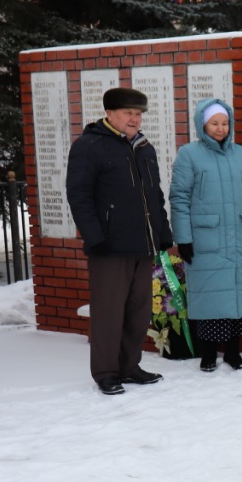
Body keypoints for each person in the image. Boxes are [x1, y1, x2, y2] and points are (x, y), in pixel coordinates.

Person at [66, 87, 173, 395]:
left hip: (143, 245)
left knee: (139, 312)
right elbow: (79, 195)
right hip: (110, 248)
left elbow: (154, 195)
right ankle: (106, 372)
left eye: (138, 114)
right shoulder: (89, 146)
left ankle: (129, 366)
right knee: (109, 313)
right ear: (109, 113)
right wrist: (95, 237)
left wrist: (162, 231)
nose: (134, 119)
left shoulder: (144, 147)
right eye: (128, 113)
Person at [170, 99, 242, 372]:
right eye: (214, 123)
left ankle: (234, 353)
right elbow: (179, 198)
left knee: (236, 294)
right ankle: (209, 354)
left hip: (237, 235)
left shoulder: (240, 154)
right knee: (209, 295)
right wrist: (183, 238)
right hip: (206, 238)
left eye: (224, 123)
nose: (220, 128)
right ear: (203, 124)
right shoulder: (189, 154)